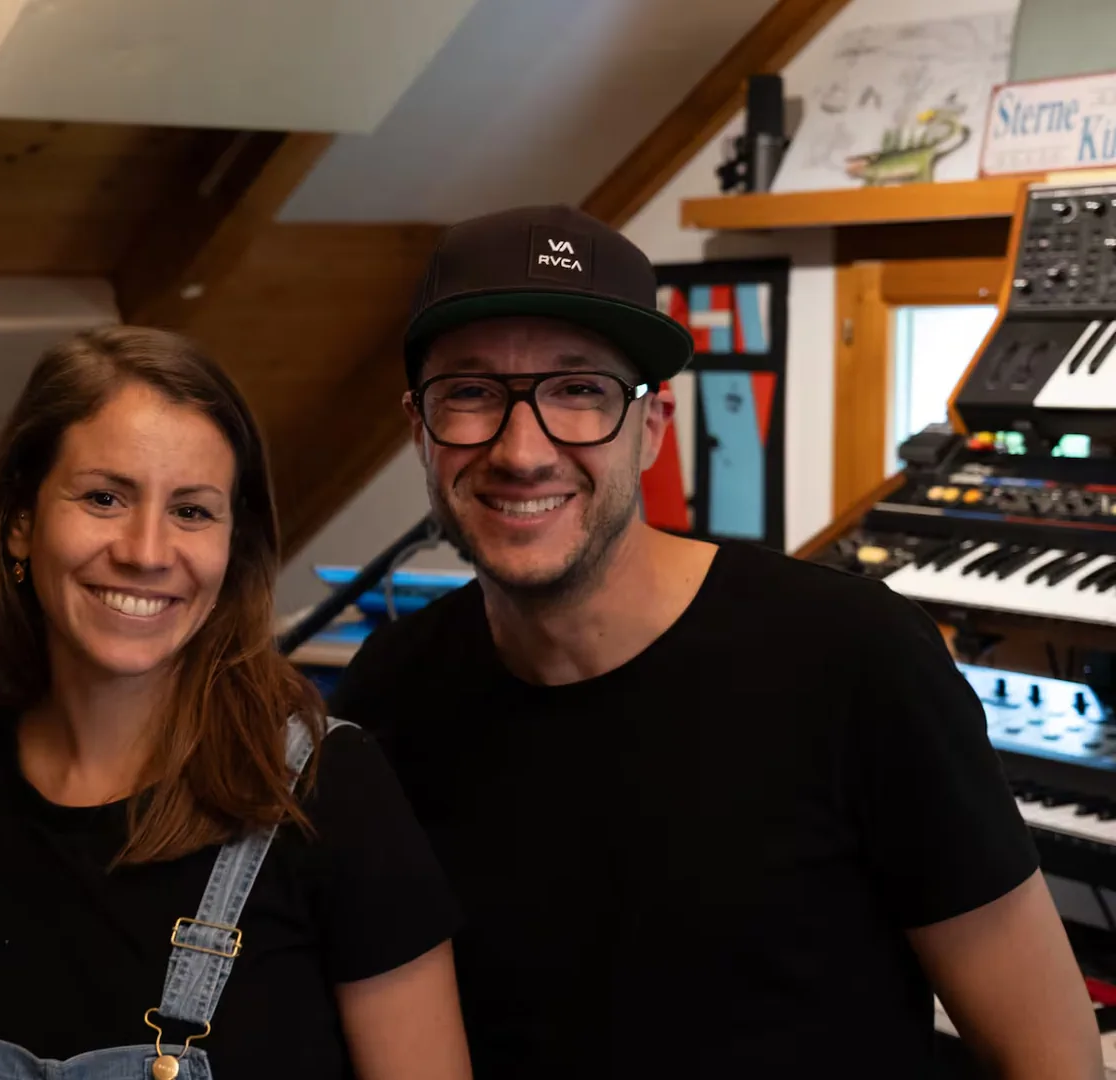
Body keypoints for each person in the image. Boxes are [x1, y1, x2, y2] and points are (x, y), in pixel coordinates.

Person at [328, 205, 1102, 1078]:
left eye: (579, 389)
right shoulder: (390, 694)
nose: (522, 449)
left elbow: (1054, 1059)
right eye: (468, 393)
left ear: (651, 426)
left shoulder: (854, 658)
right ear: (418, 430)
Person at [0, 326, 471, 1080]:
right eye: (103, 497)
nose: (146, 550)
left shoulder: (329, 791)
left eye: (191, 511)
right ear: (22, 523)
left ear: (234, 545)